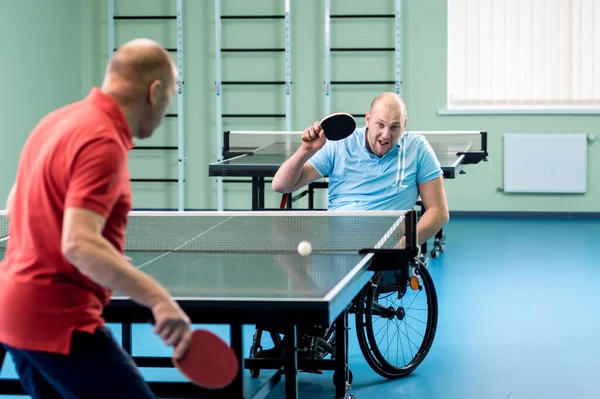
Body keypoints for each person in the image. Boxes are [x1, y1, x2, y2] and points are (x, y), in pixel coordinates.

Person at [0, 38, 190, 399]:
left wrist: (102, 257)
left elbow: (16, 204)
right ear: (155, 91)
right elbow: (78, 243)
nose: (168, 108)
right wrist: (159, 299)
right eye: (172, 95)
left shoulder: (57, 120)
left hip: (11, 311)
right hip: (57, 319)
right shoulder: (103, 140)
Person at [272, 92, 449, 246]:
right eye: (380, 124)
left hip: (389, 243)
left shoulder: (417, 148)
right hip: (338, 242)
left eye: (395, 127)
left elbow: (438, 211)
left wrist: (403, 245)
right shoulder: (340, 144)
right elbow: (281, 185)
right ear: (368, 119)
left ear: (405, 124)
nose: (386, 135)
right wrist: (306, 150)